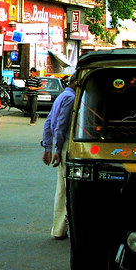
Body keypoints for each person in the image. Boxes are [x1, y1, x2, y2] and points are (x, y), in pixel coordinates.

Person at [41, 72, 78, 240]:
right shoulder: (71, 98)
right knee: (66, 190)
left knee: (62, 190)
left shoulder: (63, 95)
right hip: (66, 147)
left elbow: (49, 122)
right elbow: (60, 126)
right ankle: (61, 228)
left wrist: (48, 147)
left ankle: (59, 229)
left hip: (60, 146)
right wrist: (56, 149)